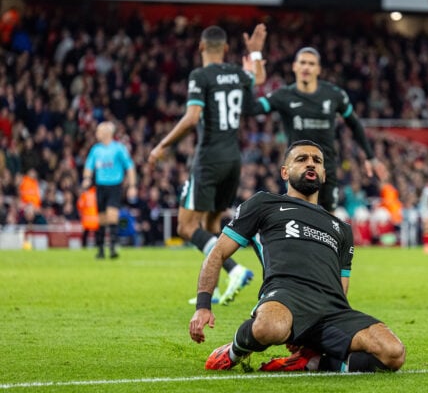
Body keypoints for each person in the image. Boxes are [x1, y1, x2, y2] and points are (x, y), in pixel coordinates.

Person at [189, 140, 406, 373]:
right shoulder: (265, 204)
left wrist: (337, 324)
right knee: (270, 328)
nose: (310, 164)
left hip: (331, 309)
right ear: (285, 171)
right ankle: (233, 352)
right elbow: (218, 252)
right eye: (301, 159)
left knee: (393, 353)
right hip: (285, 297)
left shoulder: (342, 228)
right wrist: (203, 306)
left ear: (323, 174)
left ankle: (312, 362)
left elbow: (342, 286)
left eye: (317, 161)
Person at [148, 24, 267, 305]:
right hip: (233, 159)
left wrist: (162, 145)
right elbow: (258, 78)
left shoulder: (200, 75)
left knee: (186, 227)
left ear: (201, 47)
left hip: (209, 158)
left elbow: (191, 118)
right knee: (211, 226)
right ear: (226, 49)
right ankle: (210, 290)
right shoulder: (238, 74)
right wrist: (256, 52)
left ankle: (235, 270)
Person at [251, 47, 387, 212]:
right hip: (298, 168)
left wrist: (371, 157)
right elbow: (252, 109)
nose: (306, 67)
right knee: (299, 215)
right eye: (302, 63)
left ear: (318, 69)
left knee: (328, 219)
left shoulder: (334, 95)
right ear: (295, 66)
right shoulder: (283, 95)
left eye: (311, 63)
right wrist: (251, 75)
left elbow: (354, 123)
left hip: (326, 168)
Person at [82, 121, 137, 259]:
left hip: (114, 186)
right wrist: (87, 178)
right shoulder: (96, 149)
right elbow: (89, 165)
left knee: (112, 216)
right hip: (101, 187)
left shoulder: (118, 148)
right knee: (101, 219)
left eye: (99, 131)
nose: (96, 134)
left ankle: (112, 248)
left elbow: (129, 167)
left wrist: (132, 186)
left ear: (107, 133)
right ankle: (100, 249)